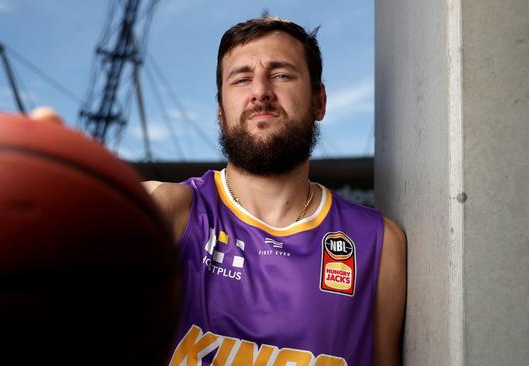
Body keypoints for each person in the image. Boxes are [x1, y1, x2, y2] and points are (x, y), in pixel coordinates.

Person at [143, 17, 406, 366]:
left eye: (281, 74)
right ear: (221, 111)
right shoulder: (169, 211)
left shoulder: (380, 244)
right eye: (241, 78)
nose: (260, 91)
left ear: (319, 101)